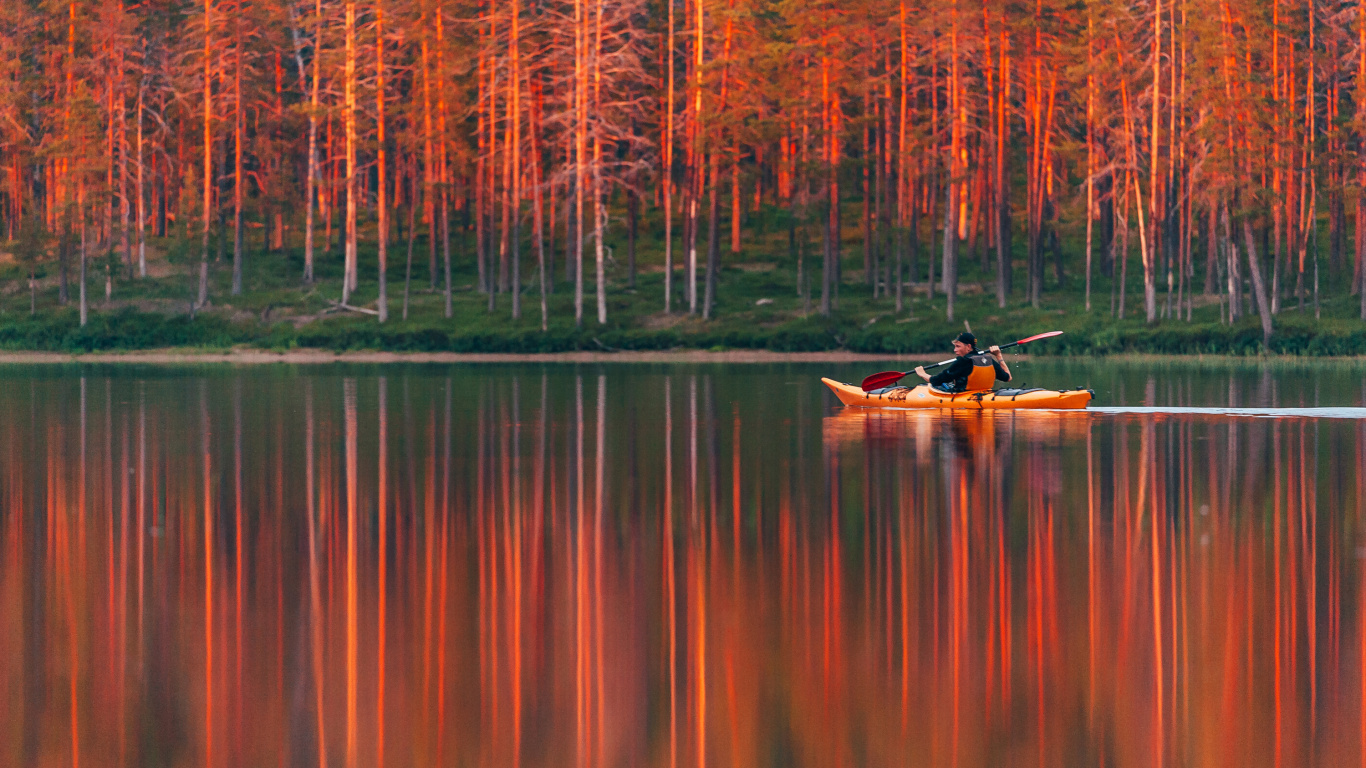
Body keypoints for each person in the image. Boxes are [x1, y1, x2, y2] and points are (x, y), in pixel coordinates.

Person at [913, 331, 1011, 393]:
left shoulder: (963, 361)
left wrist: (922, 373)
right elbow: (1008, 377)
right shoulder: (988, 359)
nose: (955, 350)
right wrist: (998, 356)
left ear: (968, 346)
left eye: (958, 346)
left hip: (964, 397)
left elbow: (937, 380)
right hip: (985, 394)